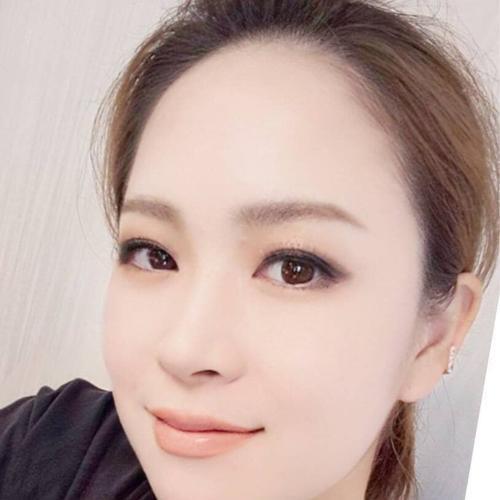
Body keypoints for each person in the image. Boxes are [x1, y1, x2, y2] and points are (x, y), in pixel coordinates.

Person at [1, 0, 498, 499]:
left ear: (434, 336)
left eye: (295, 268)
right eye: (154, 254)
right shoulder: (47, 447)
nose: (185, 351)